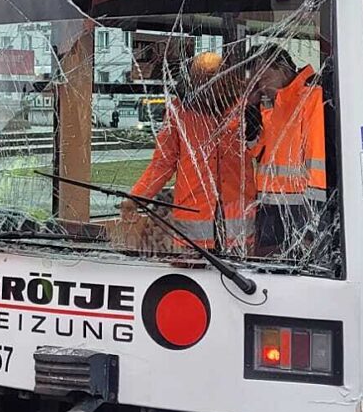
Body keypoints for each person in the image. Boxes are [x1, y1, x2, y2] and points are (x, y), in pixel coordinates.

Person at [124, 50, 254, 253]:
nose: (211, 84)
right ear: (192, 80)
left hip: (237, 227)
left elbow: (265, 150)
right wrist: (136, 198)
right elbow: (162, 163)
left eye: (216, 77)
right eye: (205, 78)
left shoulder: (244, 109)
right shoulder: (179, 112)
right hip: (193, 227)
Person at [244, 45, 325, 257]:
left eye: (263, 78)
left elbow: (318, 156)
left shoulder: (312, 96)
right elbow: (256, 151)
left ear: (283, 69)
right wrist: (250, 110)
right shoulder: (274, 104)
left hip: (301, 209)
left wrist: (314, 217)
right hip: (270, 208)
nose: (260, 86)